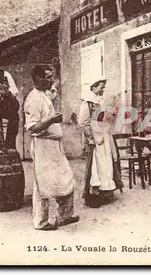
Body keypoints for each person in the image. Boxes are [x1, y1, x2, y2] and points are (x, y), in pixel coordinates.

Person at [24, 66, 79, 231]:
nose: (51, 80)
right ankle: (41, 222)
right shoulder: (34, 99)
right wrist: (51, 121)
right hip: (43, 145)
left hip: (54, 144)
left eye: (51, 77)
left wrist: (54, 77)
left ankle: (65, 216)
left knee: (65, 177)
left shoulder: (45, 93)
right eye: (48, 77)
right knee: (44, 183)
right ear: (38, 79)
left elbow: (53, 90)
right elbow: (32, 128)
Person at [78, 76, 124, 208]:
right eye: (100, 87)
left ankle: (105, 193)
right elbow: (83, 122)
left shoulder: (99, 101)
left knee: (106, 166)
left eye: (104, 87)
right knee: (95, 167)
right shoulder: (87, 103)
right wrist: (90, 138)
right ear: (93, 87)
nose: (103, 90)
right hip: (95, 139)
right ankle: (93, 195)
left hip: (103, 136)